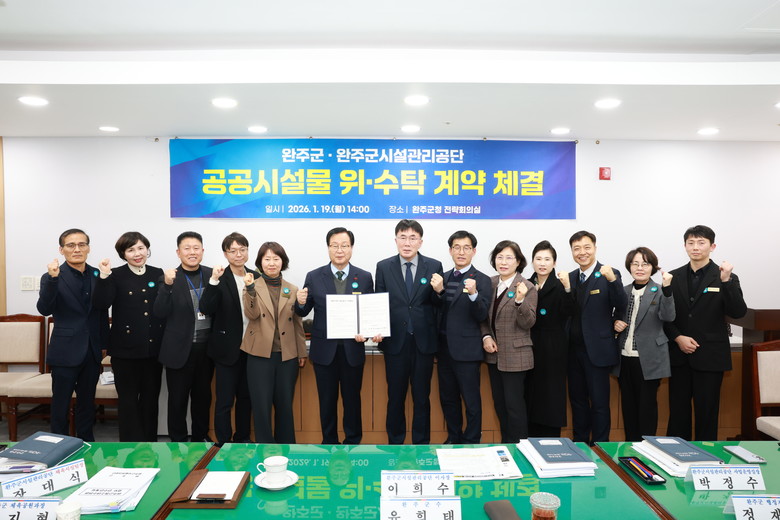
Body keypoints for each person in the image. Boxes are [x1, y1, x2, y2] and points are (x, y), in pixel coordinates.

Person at [664, 225, 747, 440]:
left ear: (712, 247)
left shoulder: (725, 276)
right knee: (678, 414)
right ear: (684, 246)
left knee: (707, 414)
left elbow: (738, 312)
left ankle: (706, 456)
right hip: (680, 355)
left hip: (710, 357)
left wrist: (727, 281)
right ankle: (675, 455)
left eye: (701, 243)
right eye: (691, 243)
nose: (695, 247)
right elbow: (664, 316)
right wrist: (677, 337)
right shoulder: (673, 276)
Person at [295, 227, 375, 445]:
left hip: (352, 350)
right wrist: (299, 302)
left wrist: (368, 332)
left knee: (352, 401)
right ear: (328, 248)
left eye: (344, 245)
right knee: (327, 401)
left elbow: (368, 313)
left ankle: (353, 442)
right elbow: (302, 311)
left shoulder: (365, 277)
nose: (340, 250)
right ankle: (329, 442)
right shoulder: (314, 276)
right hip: (324, 352)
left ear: (352, 248)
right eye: (335, 246)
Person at [375, 219, 443, 444]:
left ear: (420, 242)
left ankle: (421, 444)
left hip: (423, 343)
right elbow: (379, 303)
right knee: (395, 397)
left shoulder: (434, 266)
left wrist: (439, 291)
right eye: (403, 237)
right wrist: (376, 329)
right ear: (395, 240)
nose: (407, 243)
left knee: (422, 398)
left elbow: (438, 305)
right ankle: (395, 443)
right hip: (395, 343)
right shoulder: (383, 267)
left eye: (413, 238)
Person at [36, 228, 109, 441]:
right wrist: (52, 280)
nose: (77, 249)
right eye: (71, 245)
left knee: (87, 402)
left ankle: (86, 441)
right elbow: (44, 309)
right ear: (62, 250)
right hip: (65, 350)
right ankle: (58, 444)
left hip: (92, 350)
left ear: (88, 248)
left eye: (81, 244)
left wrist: (104, 343)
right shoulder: (52, 276)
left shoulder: (98, 274)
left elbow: (102, 312)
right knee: (60, 402)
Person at [94, 231, 164, 441]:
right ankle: (129, 445)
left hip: (152, 350)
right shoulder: (114, 274)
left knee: (150, 400)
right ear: (123, 254)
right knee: (128, 401)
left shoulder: (157, 273)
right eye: (131, 250)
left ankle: (150, 443)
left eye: (141, 248)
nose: (137, 253)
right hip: (125, 351)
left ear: (147, 249)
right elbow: (101, 303)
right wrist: (103, 276)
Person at [241, 241, 307, 443]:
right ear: (260, 262)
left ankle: (286, 448)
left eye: (276, 259)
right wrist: (250, 289)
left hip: (287, 355)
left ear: (282, 262)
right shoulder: (252, 285)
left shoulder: (292, 289)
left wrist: (301, 352)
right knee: (261, 406)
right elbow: (251, 314)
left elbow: (297, 323)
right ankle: (264, 449)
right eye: (267, 259)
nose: (271, 263)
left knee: (285, 405)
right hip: (259, 355)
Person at [430, 230, 491, 444]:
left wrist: (474, 294)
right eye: (457, 247)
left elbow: (482, 315)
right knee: (448, 398)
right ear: (450, 251)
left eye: (466, 248)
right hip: (444, 350)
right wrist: (438, 292)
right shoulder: (442, 277)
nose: (461, 252)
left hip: (467, 351)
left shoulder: (482, 280)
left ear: (474, 251)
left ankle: (472, 439)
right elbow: (436, 310)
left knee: (471, 400)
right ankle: (454, 437)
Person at [567, 230, 627, 444]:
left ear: (595, 248)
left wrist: (613, 281)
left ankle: (600, 445)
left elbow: (621, 304)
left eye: (586, 247)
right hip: (572, 351)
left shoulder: (609, 273)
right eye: (576, 248)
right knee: (578, 402)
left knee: (600, 403)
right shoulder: (570, 277)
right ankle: (580, 443)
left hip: (598, 351)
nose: (582, 252)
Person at [154, 231, 214, 443]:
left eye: (196, 248)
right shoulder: (169, 278)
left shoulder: (212, 275)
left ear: (202, 251)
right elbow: (159, 312)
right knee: (177, 400)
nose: (192, 252)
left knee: (203, 399)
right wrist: (167, 286)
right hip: (179, 350)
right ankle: (178, 443)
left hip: (206, 350)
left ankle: (200, 439)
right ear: (178, 252)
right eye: (187, 248)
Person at [199, 232, 258, 445]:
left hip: (251, 349)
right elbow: (206, 308)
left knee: (246, 398)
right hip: (226, 349)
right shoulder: (219, 277)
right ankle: (223, 442)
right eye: (233, 251)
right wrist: (213, 281)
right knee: (224, 400)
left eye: (242, 250)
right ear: (225, 254)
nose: (238, 254)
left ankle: (243, 438)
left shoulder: (256, 277)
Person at [613, 247, 675, 441]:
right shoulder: (623, 291)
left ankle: (647, 448)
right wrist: (614, 323)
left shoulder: (660, 291)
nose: (640, 268)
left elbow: (668, 316)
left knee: (647, 408)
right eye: (635, 264)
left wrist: (668, 290)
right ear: (629, 267)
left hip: (649, 359)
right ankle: (630, 446)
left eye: (645, 264)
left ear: (653, 267)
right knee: (628, 408)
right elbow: (613, 316)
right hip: (624, 357)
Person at [480, 240, 537, 443]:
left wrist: (520, 300)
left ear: (518, 261)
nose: (503, 262)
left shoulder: (527, 286)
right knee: (500, 405)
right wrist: (486, 336)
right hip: (494, 355)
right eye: (499, 257)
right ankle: (507, 445)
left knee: (514, 406)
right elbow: (482, 316)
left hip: (516, 355)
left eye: (509, 258)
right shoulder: (489, 283)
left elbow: (528, 322)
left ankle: (520, 448)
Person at [526, 240, 574, 437]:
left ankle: (551, 438)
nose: (542, 263)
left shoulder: (561, 284)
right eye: (538, 259)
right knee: (531, 392)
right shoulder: (526, 284)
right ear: (532, 262)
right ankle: (530, 436)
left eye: (547, 259)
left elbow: (569, 311)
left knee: (551, 393)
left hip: (554, 346)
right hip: (530, 344)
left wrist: (568, 288)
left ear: (554, 263)